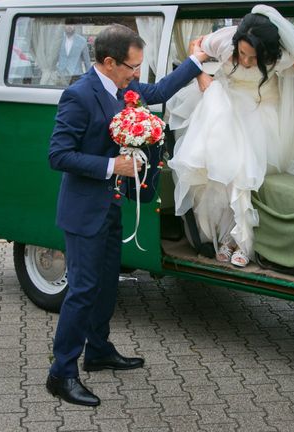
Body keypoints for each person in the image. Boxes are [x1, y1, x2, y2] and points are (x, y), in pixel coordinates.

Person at [47, 24, 206, 407]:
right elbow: (58, 155)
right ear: (108, 62)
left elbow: (161, 90)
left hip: (112, 206)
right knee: (82, 291)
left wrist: (197, 59)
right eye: (132, 66)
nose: (137, 74)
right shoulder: (79, 95)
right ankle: (61, 373)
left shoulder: (123, 90)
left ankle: (98, 351)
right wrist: (110, 166)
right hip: (84, 211)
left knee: (107, 285)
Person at [167, 4, 294, 269]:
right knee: (218, 172)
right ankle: (226, 236)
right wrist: (202, 75)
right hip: (225, 109)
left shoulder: (280, 56)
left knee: (245, 172)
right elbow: (195, 45)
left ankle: (243, 239)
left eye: (254, 57)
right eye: (243, 54)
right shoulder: (224, 40)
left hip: (262, 114)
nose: (247, 61)